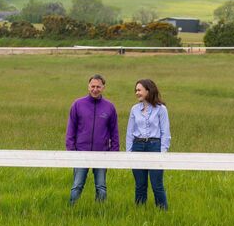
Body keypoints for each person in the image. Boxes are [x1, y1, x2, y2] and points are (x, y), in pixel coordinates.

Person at [65, 74, 119, 204]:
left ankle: (100, 212)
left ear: (103, 88)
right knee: (77, 185)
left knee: (101, 187)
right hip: (81, 152)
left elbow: (114, 131)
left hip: (102, 153)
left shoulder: (109, 107)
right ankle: (72, 209)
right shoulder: (78, 104)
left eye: (98, 87)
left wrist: (114, 152)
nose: (95, 89)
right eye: (93, 86)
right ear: (88, 87)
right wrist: (71, 150)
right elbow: (71, 128)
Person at [126, 79, 171, 209]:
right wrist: (129, 153)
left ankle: (163, 211)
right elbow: (130, 132)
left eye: (139, 90)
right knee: (140, 184)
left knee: (157, 184)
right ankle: (140, 212)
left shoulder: (161, 109)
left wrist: (163, 153)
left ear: (148, 90)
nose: (137, 93)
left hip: (154, 146)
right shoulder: (134, 109)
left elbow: (165, 132)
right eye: (136, 90)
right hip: (137, 146)